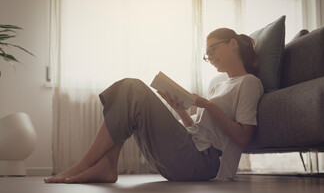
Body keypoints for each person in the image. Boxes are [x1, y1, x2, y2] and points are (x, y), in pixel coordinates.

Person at [44, 28, 264, 183]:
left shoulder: (249, 83)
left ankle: (85, 164)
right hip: (189, 154)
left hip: (206, 165)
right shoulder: (218, 84)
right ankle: (107, 164)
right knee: (129, 92)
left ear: (233, 44)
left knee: (133, 88)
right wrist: (180, 109)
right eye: (207, 54)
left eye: (213, 49)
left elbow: (244, 137)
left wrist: (206, 104)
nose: (210, 56)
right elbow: (199, 131)